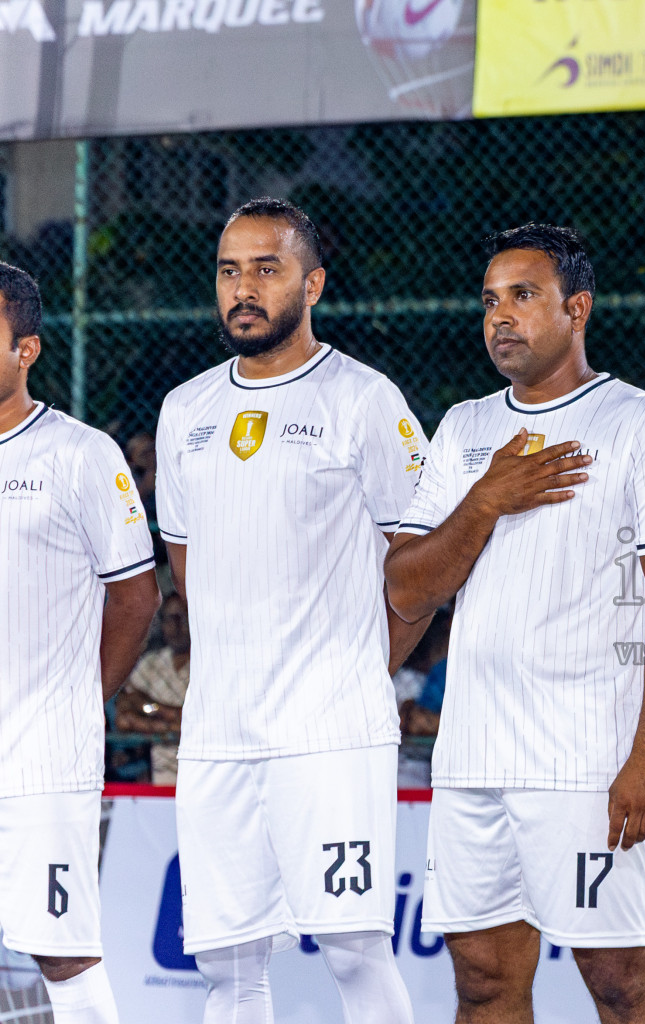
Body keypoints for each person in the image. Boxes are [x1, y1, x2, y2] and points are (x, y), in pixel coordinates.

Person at [383, 224, 645, 1023]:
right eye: (491, 300)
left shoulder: (641, 423)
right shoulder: (463, 429)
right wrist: (485, 499)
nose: (501, 317)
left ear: (577, 308)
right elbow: (407, 585)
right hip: (471, 756)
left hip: (585, 761)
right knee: (483, 984)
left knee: (621, 986)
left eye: (524, 296)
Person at [155, 198, 428, 1024]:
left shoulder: (365, 400)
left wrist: (358, 668)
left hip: (331, 730)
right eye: (230, 270)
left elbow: (416, 574)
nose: (244, 288)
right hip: (219, 734)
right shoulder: (185, 411)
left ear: (311, 284)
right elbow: (189, 564)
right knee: (226, 966)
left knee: (353, 950)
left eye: (266, 269)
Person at [0, 261, 160, 1023]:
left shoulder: (78, 453)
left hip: (40, 757)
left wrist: (76, 700)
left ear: (25, 348)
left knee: (61, 953)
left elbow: (136, 596)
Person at [116, 591, 192, 785]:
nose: (176, 626)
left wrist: (153, 712)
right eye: (170, 618)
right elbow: (125, 710)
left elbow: (211, 720)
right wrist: (167, 714)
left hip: (200, 767)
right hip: (158, 772)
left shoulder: (207, 662)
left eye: (183, 617)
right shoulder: (151, 663)